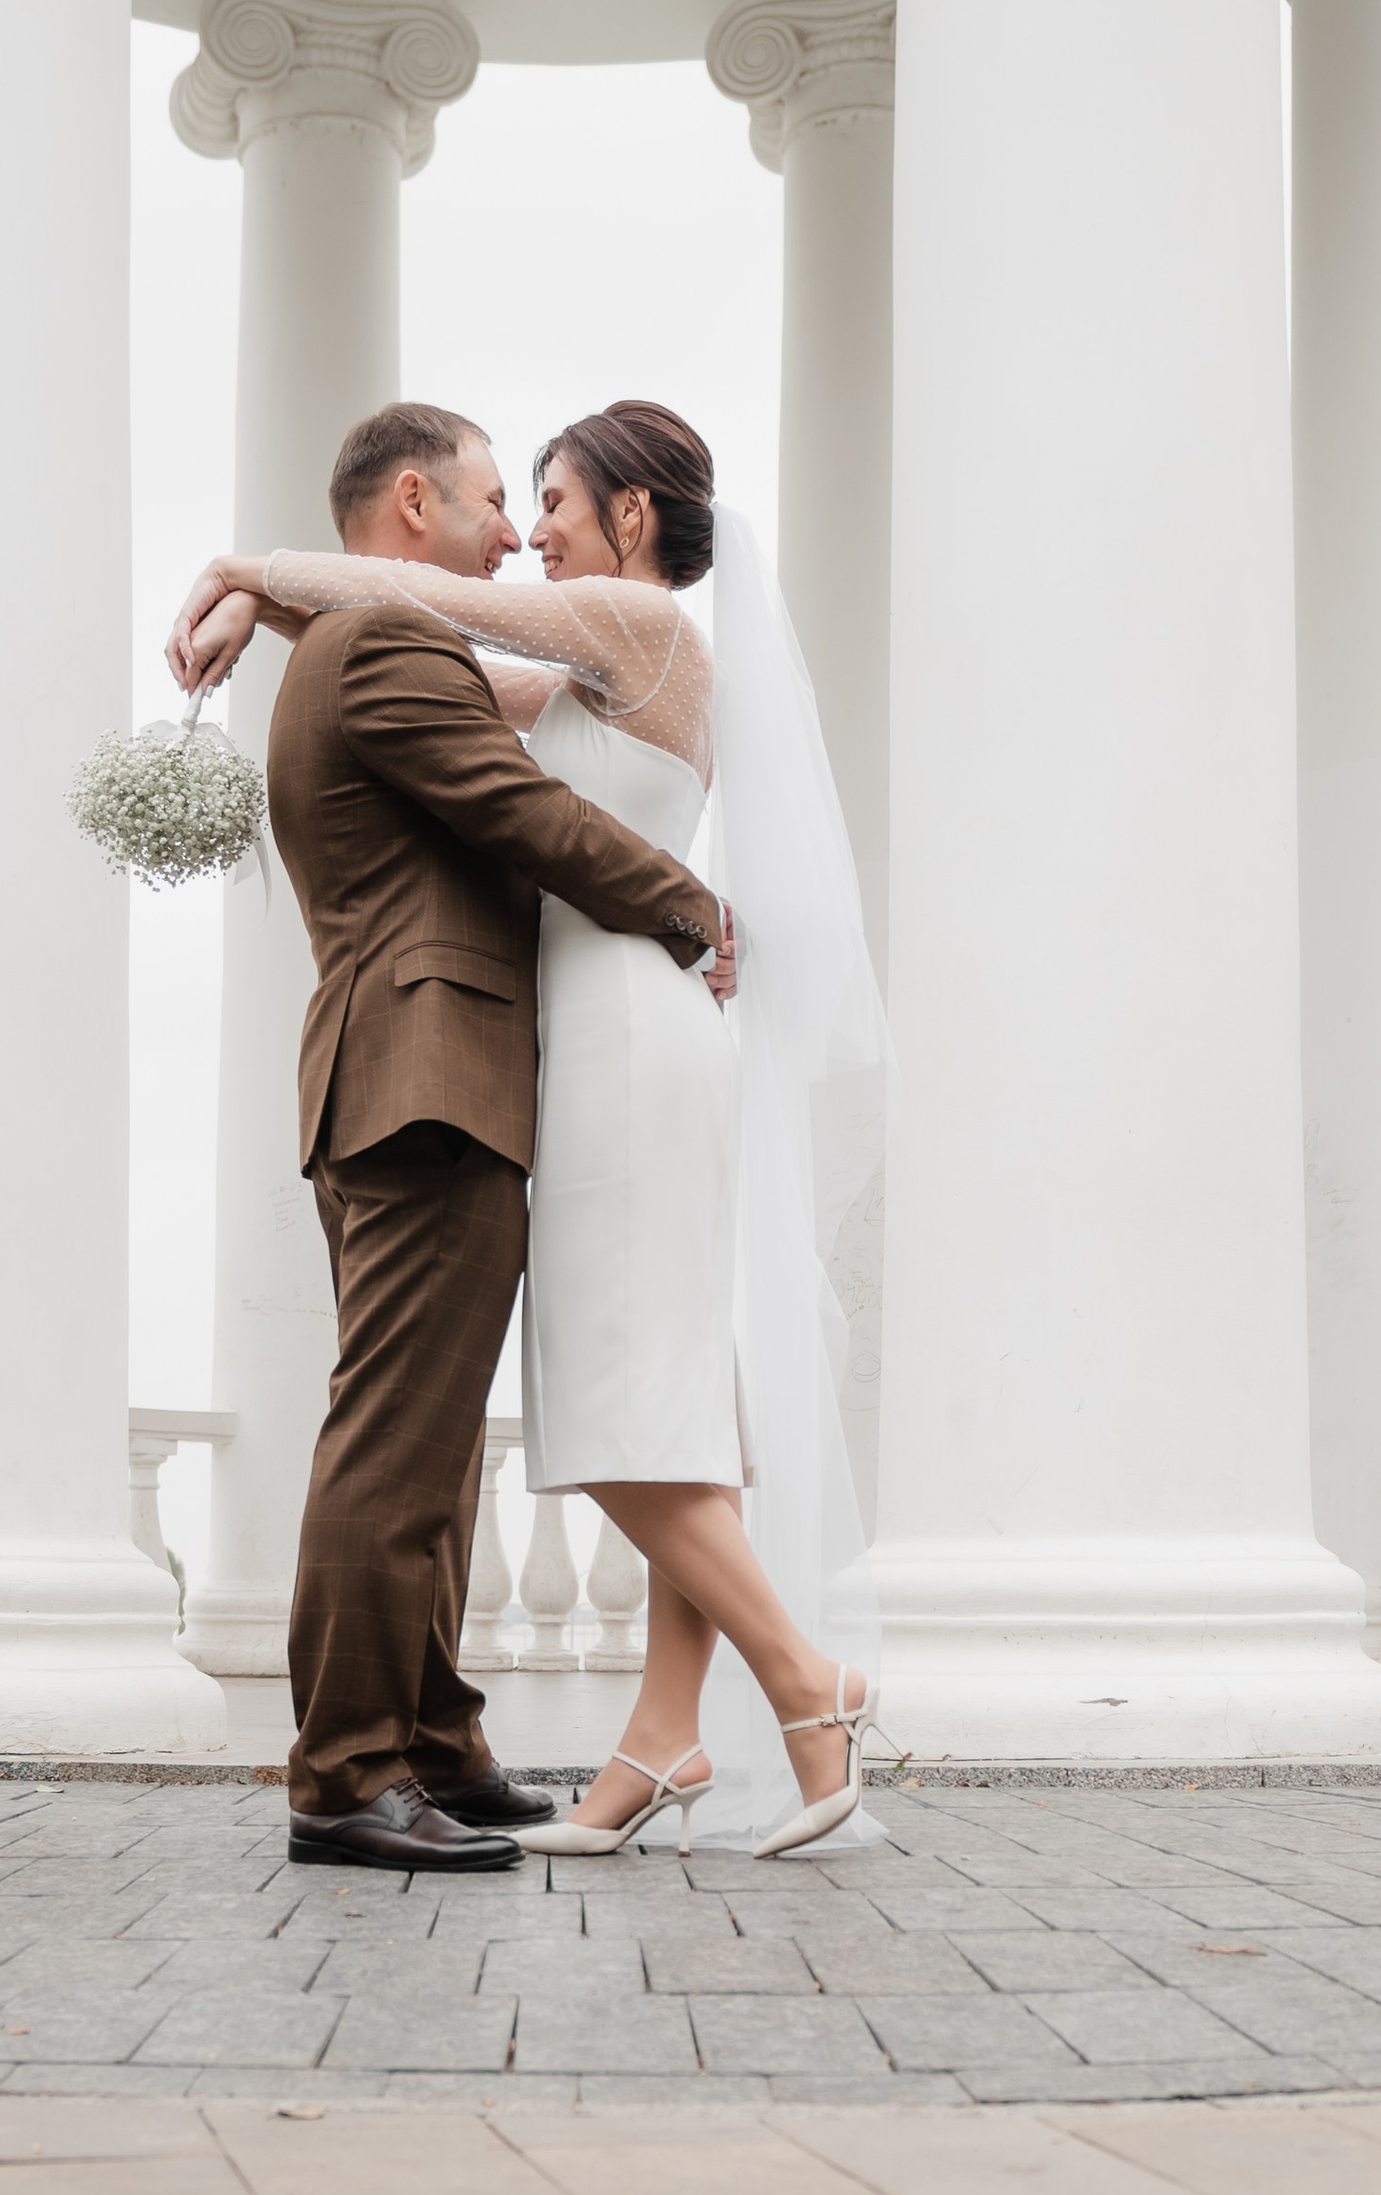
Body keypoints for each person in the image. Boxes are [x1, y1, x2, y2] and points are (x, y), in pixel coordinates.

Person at [172, 397, 889, 1862]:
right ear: (417, 498)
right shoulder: (528, 665)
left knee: (620, 1409)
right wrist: (265, 599)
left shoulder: (633, 626)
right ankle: (635, 1733)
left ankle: (779, 1686)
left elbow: (425, 626)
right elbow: (425, 668)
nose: (523, 532)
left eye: (547, 498)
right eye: (508, 497)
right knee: (616, 1411)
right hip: (544, 1046)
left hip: (619, 1037)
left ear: (633, 516)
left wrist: (246, 568)